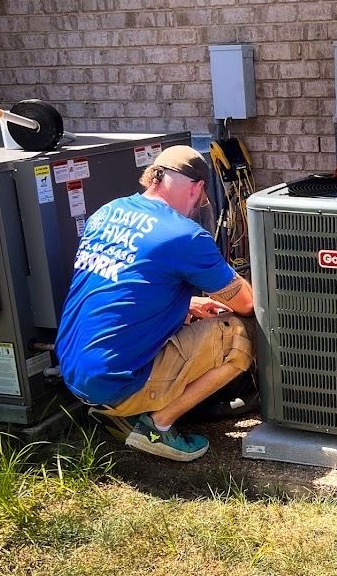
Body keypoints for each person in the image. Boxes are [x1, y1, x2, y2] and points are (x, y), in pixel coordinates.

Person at [55, 145, 255, 462]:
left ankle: (118, 411)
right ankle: (157, 426)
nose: (195, 209)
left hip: (75, 373)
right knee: (242, 333)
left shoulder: (106, 212)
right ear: (197, 188)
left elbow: (124, 287)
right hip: (117, 382)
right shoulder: (184, 235)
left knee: (196, 316)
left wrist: (188, 305)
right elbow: (246, 303)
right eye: (199, 201)